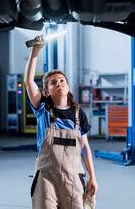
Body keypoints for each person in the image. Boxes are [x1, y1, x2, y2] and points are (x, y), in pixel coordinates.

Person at [24, 35, 98, 209]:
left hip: (73, 177)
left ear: (68, 86)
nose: (59, 84)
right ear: (47, 91)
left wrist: (92, 176)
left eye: (62, 81)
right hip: (46, 177)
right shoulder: (43, 109)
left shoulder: (79, 115)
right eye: (53, 83)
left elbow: (85, 148)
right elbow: (28, 81)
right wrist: (35, 51)